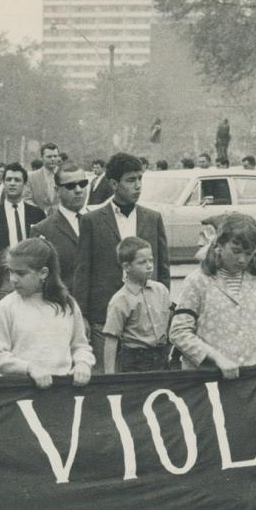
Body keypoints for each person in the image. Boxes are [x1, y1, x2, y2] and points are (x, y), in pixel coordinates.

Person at [169, 212, 256, 510]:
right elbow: (180, 331)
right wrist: (214, 358)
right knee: (207, 460)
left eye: (248, 252)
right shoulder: (197, 282)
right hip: (205, 385)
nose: (242, 258)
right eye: (236, 249)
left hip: (247, 385)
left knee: (249, 459)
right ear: (219, 245)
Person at [0, 237, 93, 510]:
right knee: (30, 475)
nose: (13, 280)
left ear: (44, 273)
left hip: (58, 400)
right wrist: (29, 368)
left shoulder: (66, 306)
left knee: (55, 472)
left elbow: (81, 344)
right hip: (23, 400)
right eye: (10, 272)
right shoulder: (7, 308)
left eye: (21, 273)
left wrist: (83, 363)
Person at [72, 153, 170, 371]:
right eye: (130, 180)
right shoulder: (92, 220)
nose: (137, 186)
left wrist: (163, 310)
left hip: (145, 321)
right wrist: (82, 317)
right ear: (114, 183)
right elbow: (83, 271)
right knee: (106, 376)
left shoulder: (152, 218)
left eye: (140, 179)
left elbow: (163, 270)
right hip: (104, 316)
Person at [0, 163, 46, 301]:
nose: (12, 183)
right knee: (9, 319)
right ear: (3, 183)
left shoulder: (37, 214)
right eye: (8, 180)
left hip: (31, 275)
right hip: (5, 277)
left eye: (17, 180)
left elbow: (44, 249)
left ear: (25, 185)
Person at [101, 236, 171, 373]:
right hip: (135, 362)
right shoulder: (120, 299)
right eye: (142, 262)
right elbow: (111, 339)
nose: (149, 265)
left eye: (151, 260)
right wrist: (109, 377)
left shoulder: (161, 290)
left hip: (162, 359)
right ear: (127, 266)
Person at [30, 162, 90, 285]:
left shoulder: (99, 222)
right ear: (57, 190)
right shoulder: (42, 230)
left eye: (83, 184)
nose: (78, 190)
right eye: (70, 186)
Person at [27, 143, 62, 211]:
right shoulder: (31, 177)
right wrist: (38, 212)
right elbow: (27, 200)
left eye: (55, 156)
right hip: (39, 219)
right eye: (49, 156)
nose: (53, 159)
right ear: (41, 158)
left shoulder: (65, 175)